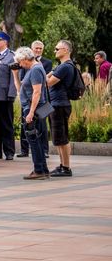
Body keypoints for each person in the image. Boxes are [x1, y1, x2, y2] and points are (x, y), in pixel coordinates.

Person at [12, 47, 49, 180]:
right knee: (35, 139)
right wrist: (15, 74)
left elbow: (37, 92)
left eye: (20, 62)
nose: (20, 65)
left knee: (34, 139)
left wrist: (31, 112)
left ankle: (39, 170)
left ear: (25, 59)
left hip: (35, 108)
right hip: (33, 107)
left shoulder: (35, 69)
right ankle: (43, 169)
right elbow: (20, 89)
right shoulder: (32, 69)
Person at [18, 40, 52, 158]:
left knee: (42, 126)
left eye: (40, 48)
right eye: (36, 48)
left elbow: (43, 84)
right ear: (31, 49)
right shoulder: (25, 63)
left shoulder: (45, 63)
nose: (38, 50)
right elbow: (22, 81)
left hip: (41, 100)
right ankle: (24, 150)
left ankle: (44, 151)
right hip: (28, 99)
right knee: (26, 125)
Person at [46, 40, 75, 177]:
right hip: (55, 104)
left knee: (62, 138)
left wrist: (40, 74)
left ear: (66, 50)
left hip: (59, 105)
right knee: (57, 138)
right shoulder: (61, 66)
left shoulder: (65, 67)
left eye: (57, 49)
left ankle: (66, 168)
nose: (55, 51)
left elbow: (48, 83)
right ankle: (62, 165)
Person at [0, 31, 17, 160]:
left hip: (5, 96)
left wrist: (11, 94)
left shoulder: (11, 57)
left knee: (6, 124)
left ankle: (9, 151)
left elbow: (14, 77)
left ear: (5, 42)